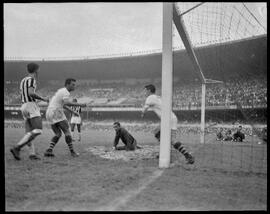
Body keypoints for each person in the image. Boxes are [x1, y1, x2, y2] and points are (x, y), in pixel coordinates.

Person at [141, 84, 194, 164]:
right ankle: (164, 152)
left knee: (171, 140)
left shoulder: (150, 97)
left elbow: (145, 108)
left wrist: (142, 113)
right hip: (169, 118)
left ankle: (187, 156)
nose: (144, 92)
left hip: (168, 119)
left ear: (149, 90)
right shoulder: (158, 97)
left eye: (145, 90)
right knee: (157, 132)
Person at [10, 62, 49, 160]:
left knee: (29, 132)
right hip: (31, 106)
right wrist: (43, 98)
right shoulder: (32, 80)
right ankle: (17, 147)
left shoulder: (23, 80)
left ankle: (32, 154)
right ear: (36, 70)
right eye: (38, 69)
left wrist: (36, 100)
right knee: (38, 129)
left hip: (24, 106)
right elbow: (31, 93)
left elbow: (25, 94)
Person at [44, 78, 86, 157]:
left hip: (49, 113)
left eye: (74, 85)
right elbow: (67, 103)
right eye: (72, 84)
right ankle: (72, 152)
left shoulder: (61, 91)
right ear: (67, 84)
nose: (74, 86)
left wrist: (72, 111)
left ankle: (49, 150)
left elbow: (63, 104)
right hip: (56, 111)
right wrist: (80, 104)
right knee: (67, 131)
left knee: (58, 134)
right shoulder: (66, 92)